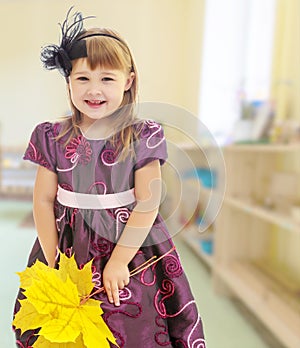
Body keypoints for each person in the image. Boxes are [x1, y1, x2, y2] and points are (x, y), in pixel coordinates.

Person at [13, 8, 206, 348]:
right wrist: (52, 253)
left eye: (107, 78)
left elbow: (148, 202)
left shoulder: (144, 134)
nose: (94, 89)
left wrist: (118, 261)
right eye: (82, 79)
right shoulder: (49, 135)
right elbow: (43, 199)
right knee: (62, 327)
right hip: (68, 241)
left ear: (128, 81)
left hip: (128, 243)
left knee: (128, 320)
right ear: (69, 81)